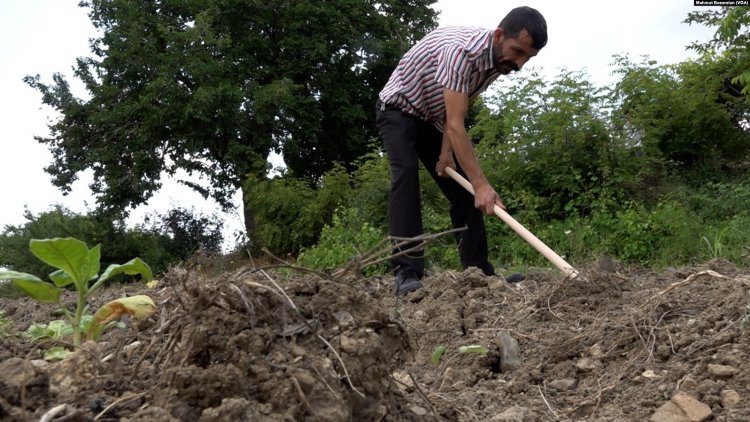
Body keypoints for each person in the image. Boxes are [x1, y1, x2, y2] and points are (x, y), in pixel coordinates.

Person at [376, 6, 547, 296]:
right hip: (398, 109)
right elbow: (456, 125)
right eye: (517, 52)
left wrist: (446, 155)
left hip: (432, 118)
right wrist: (482, 185)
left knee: (464, 190)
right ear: (499, 35)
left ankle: (478, 273)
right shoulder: (460, 53)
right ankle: (406, 271)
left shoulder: (496, 63)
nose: (519, 63)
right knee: (407, 174)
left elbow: (455, 111)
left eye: (527, 58)